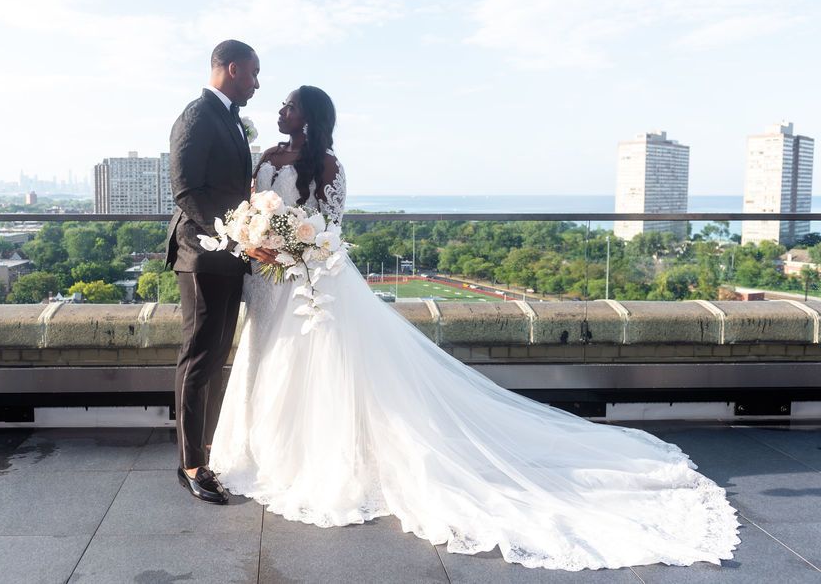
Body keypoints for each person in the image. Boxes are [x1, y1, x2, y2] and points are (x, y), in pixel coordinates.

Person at [208, 85, 741, 570]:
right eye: (282, 104)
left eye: (290, 105)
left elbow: (329, 226)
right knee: (270, 359)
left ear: (309, 117)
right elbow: (254, 207)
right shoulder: (267, 157)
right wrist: (257, 236)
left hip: (311, 280)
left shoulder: (328, 165)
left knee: (315, 365)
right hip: (267, 280)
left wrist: (290, 244)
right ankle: (268, 451)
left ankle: (316, 458)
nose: (281, 110)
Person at [166, 39, 272, 504]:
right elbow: (186, 190)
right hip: (201, 256)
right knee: (198, 358)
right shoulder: (196, 116)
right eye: (253, 72)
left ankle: (204, 450)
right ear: (232, 69)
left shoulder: (228, 117)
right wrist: (238, 234)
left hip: (227, 256)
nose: (257, 82)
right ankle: (191, 464)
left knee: (214, 358)